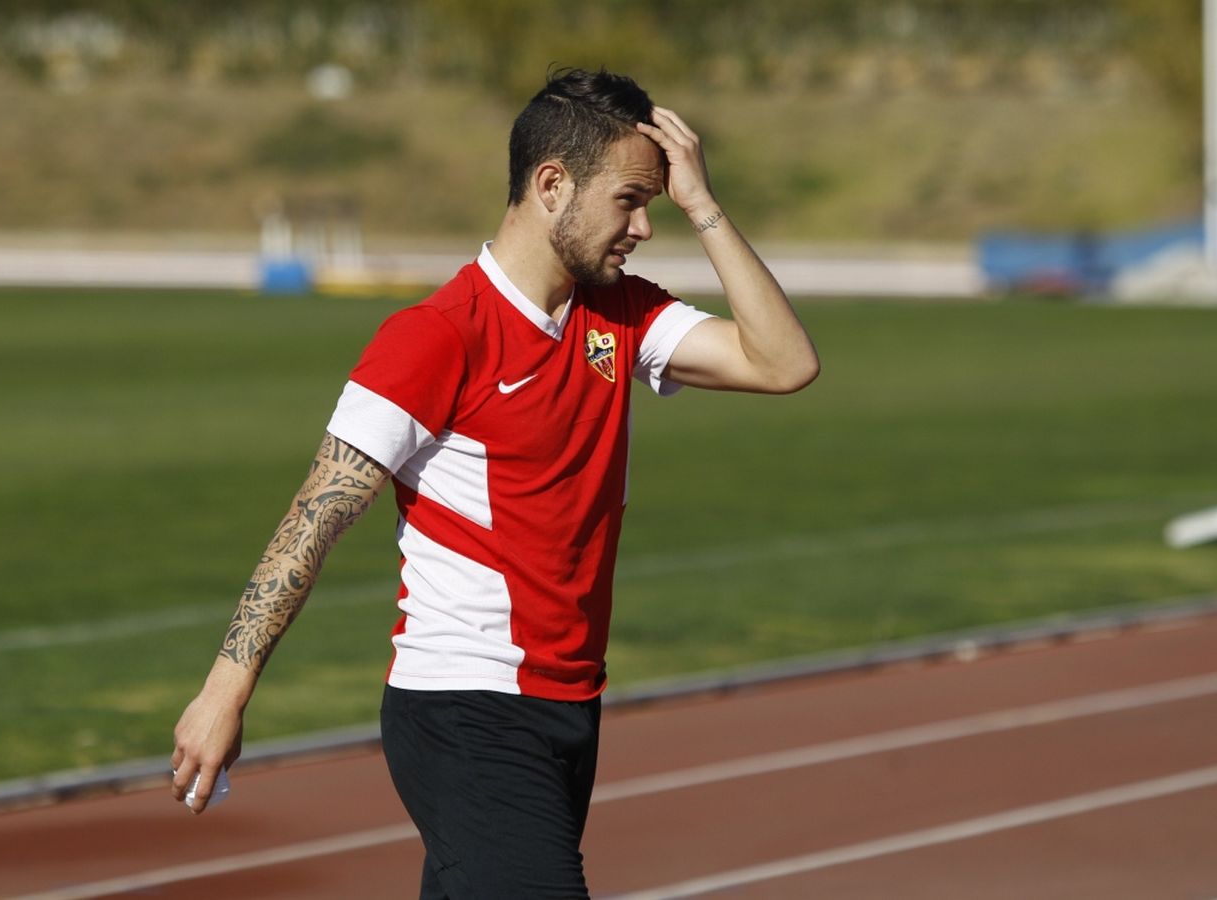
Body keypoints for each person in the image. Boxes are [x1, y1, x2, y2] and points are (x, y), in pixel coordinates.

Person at [170, 66, 819, 898]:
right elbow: (316, 515)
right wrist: (226, 689)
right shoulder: (435, 337)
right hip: (465, 708)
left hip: (571, 705)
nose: (645, 227)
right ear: (552, 185)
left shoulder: (621, 315)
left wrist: (706, 206)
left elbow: (784, 362)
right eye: (630, 200)